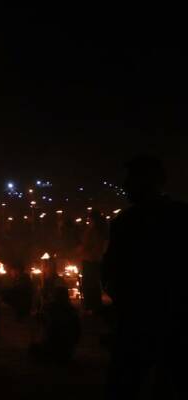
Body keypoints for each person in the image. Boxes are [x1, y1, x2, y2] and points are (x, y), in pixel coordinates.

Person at [102, 155, 188, 399]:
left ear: (150, 182)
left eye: (132, 179)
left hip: (152, 315)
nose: (126, 185)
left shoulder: (131, 221)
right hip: (159, 313)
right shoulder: (178, 215)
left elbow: (112, 268)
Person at [29, 286, 81, 364]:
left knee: (33, 348)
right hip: (68, 350)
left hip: (52, 347)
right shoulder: (72, 310)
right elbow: (78, 332)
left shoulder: (50, 308)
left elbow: (37, 318)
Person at [80, 210, 108, 313]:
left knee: (90, 284)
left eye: (90, 219)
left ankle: (92, 306)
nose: (88, 221)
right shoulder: (95, 231)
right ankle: (93, 305)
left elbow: (94, 246)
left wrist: (82, 250)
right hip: (92, 259)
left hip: (91, 260)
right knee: (92, 284)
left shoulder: (94, 232)